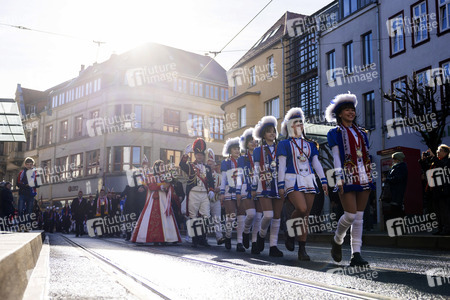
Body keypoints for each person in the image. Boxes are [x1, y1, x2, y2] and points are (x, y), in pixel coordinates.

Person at [325, 93, 375, 267]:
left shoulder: (362, 132)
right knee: (350, 214)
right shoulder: (335, 132)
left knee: (359, 217)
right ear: (339, 113)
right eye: (347, 110)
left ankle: (356, 254)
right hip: (346, 174)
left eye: (352, 110)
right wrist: (338, 177)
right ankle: (337, 240)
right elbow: (336, 156)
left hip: (363, 173)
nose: (351, 112)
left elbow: (365, 154)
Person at [278, 107, 328, 261]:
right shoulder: (284, 144)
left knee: (305, 216)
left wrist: (324, 180)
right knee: (302, 208)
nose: (298, 125)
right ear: (288, 126)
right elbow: (281, 165)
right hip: (291, 179)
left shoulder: (311, 144)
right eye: (294, 122)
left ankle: (302, 250)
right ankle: (289, 229)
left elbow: (316, 163)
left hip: (309, 179)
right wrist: (280, 184)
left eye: (300, 122)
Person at [253, 116, 284, 257]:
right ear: (263, 134)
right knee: (268, 215)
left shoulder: (280, 148)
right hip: (263, 184)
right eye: (268, 131)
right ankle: (261, 234)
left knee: (276, 217)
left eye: (273, 131)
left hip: (278, 185)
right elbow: (255, 170)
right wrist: (254, 186)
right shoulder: (258, 150)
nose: (272, 133)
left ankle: (273, 246)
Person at [131, 160, 182, 244]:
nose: (162, 167)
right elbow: (151, 186)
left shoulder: (166, 176)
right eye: (160, 166)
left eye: (163, 165)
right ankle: (147, 237)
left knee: (166, 215)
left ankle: (168, 237)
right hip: (154, 197)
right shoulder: (151, 176)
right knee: (150, 215)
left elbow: (169, 187)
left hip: (164, 198)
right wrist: (162, 186)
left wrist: (169, 186)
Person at [179, 138, 215, 247]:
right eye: (197, 154)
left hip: (204, 193)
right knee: (193, 216)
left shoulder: (208, 168)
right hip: (193, 193)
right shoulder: (190, 166)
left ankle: (203, 238)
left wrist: (212, 190)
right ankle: (195, 239)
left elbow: (210, 181)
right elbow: (181, 165)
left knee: (206, 215)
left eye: (201, 154)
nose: (199, 156)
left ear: (204, 156)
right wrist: (185, 155)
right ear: (195, 155)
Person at [237, 128, 263, 254]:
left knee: (258, 217)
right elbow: (239, 176)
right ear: (246, 144)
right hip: (246, 188)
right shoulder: (242, 158)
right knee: (251, 214)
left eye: (255, 141)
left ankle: (254, 243)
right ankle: (246, 231)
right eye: (250, 141)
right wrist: (238, 191)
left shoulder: (261, 156)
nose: (253, 143)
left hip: (259, 187)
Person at [220, 137, 246, 251]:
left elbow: (243, 176)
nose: (237, 151)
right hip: (228, 191)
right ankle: (228, 236)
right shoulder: (225, 162)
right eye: (235, 149)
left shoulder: (242, 161)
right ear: (230, 150)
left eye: (238, 148)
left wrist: (241, 190)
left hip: (240, 190)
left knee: (241, 217)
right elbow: (224, 178)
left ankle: (240, 242)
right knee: (231, 216)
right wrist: (221, 192)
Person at [420, 145, 450, 235]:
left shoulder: (447, 161)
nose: (437, 152)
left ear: (445, 152)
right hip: (435, 190)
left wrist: (433, 157)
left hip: (444, 191)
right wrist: (423, 160)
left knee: (445, 211)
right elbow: (427, 170)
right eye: (437, 150)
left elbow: (443, 168)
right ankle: (440, 228)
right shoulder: (436, 162)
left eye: (439, 150)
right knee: (437, 211)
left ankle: (447, 229)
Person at [207, 148, 226, 245]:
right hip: (205, 200)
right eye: (208, 164)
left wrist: (219, 188)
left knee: (217, 219)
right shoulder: (204, 175)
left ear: (214, 165)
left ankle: (219, 237)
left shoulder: (220, 176)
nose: (210, 166)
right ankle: (200, 237)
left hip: (216, 200)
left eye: (212, 164)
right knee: (204, 219)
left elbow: (223, 186)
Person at [17, 157, 39, 231]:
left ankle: (27, 226)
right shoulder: (21, 173)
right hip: (22, 193)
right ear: (25, 165)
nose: (29, 166)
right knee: (20, 210)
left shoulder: (36, 173)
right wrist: (25, 185)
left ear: (33, 165)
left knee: (29, 211)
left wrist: (31, 184)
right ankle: (20, 226)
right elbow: (17, 183)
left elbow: (38, 184)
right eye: (28, 164)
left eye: (31, 164)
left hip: (31, 194)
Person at [384, 152, 408, 221]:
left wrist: (388, 179)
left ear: (398, 159)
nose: (393, 160)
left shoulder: (401, 167)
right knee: (395, 210)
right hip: (394, 192)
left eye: (394, 159)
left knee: (397, 210)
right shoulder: (396, 167)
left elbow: (398, 178)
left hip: (397, 192)